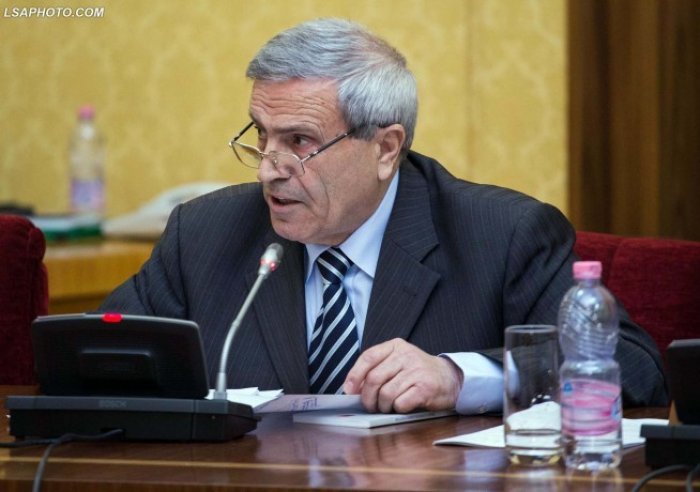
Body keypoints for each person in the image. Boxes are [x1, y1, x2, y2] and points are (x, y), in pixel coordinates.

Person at [100, 18, 667, 414]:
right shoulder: (204, 234)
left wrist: (460, 378)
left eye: (299, 141)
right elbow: (94, 360)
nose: (269, 167)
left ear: (386, 148)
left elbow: (633, 367)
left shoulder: (503, 235)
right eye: (262, 135)